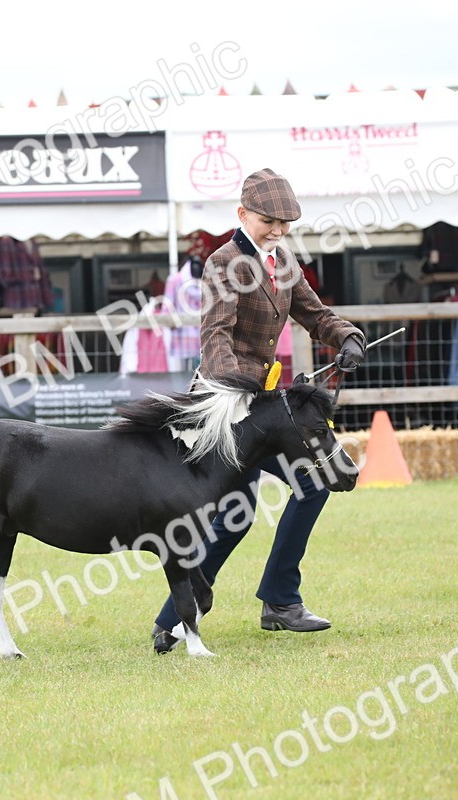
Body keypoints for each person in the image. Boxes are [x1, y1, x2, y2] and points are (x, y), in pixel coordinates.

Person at [151, 168, 367, 653]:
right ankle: (172, 620)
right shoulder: (223, 263)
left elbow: (314, 314)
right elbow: (216, 337)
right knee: (236, 515)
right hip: (226, 407)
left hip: (263, 407)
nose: (278, 230)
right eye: (270, 220)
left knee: (313, 483)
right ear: (243, 213)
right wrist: (243, 387)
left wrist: (347, 336)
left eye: (285, 222)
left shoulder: (282, 260)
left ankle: (280, 600)